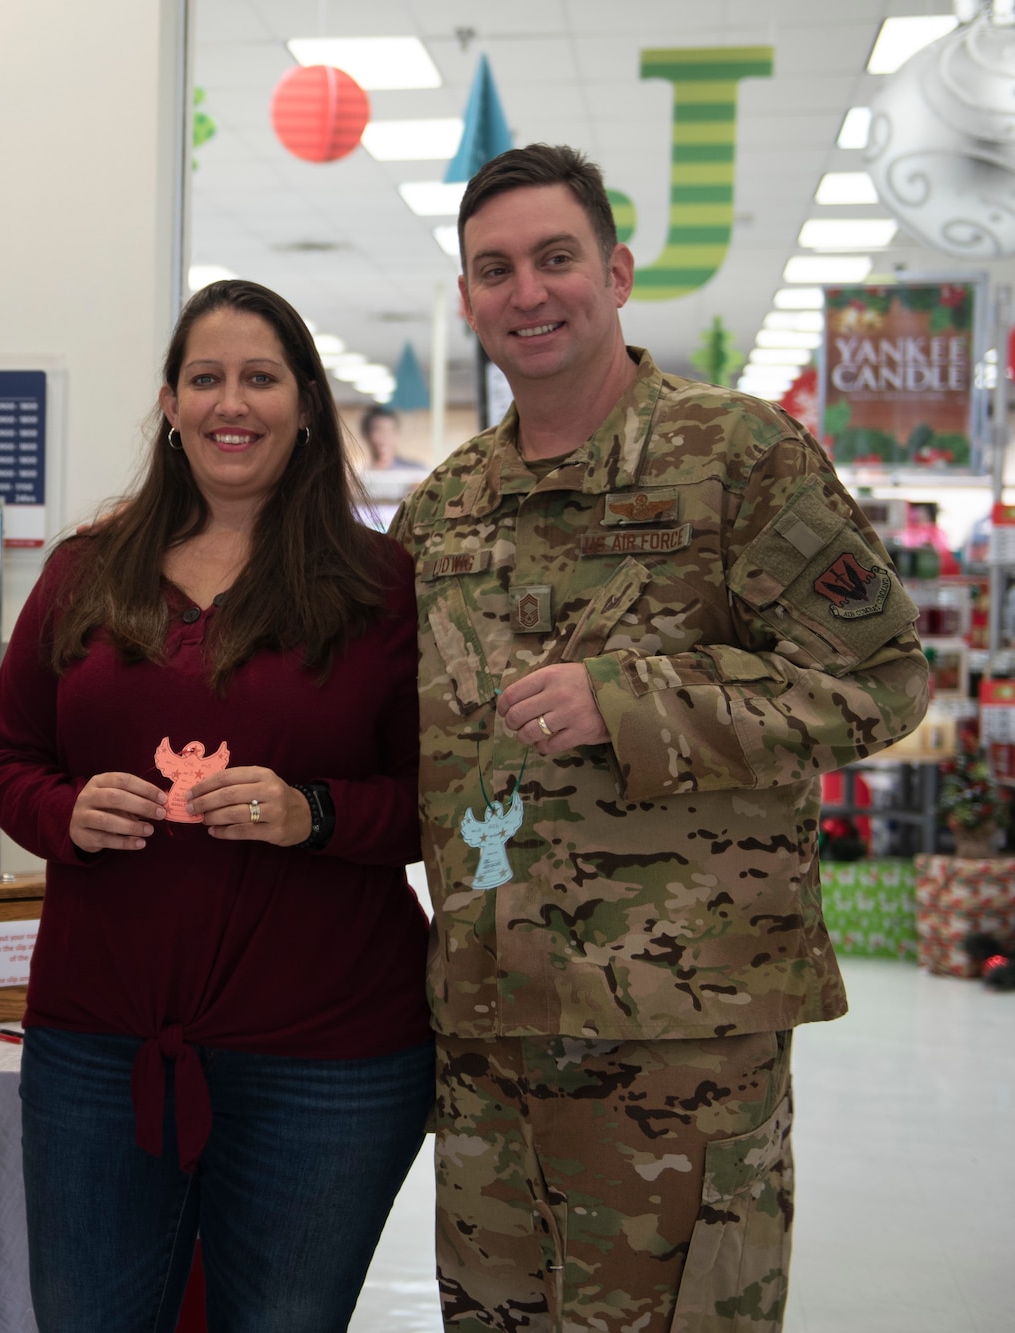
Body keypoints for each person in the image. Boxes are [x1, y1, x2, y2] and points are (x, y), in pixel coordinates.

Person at [390, 144, 930, 1332]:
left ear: (617, 272)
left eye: (554, 258)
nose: (525, 291)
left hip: (679, 1040)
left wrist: (634, 702)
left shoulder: (737, 457)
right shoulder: (442, 507)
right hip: (488, 1037)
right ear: (469, 299)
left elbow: (882, 678)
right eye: (493, 270)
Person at [0, 279, 432, 1331]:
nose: (232, 402)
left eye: (260, 378)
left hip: (329, 1062)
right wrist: (65, 811)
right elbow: (8, 757)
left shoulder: (378, 587)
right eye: (206, 378)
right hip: (96, 1048)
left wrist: (311, 813)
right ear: (170, 405)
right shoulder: (84, 572)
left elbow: (435, 801)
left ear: (307, 404)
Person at [360, 404, 425, 475]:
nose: (385, 437)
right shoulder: (361, 474)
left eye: (390, 430)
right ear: (366, 435)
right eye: (378, 430)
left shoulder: (416, 471)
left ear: (397, 434)